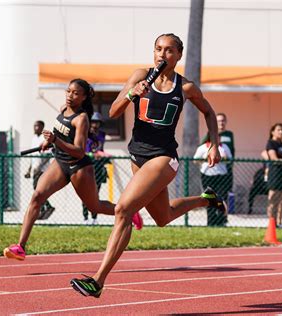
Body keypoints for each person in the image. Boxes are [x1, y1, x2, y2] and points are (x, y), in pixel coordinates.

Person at [70, 33, 225, 298]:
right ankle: (205, 200)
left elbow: (209, 112)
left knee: (123, 210)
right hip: (137, 157)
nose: (162, 55)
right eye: (157, 49)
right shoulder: (139, 76)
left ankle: (97, 280)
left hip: (164, 158)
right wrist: (132, 93)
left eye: (168, 51)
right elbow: (113, 112)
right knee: (162, 217)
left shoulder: (185, 88)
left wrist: (213, 143)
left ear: (178, 56)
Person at [4, 79, 119, 261]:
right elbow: (59, 132)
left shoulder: (82, 119)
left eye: (75, 93)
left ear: (83, 97)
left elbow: (80, 151)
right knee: (37, 197)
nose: (69, 96)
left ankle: (127, 211)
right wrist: (48, 141)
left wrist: (56, 141)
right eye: (68, 91)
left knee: (94, 206)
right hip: (60, 161)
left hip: (79, 167)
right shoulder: (63, 109)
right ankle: (20, 247)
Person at [83, 112, 143, 229]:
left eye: (98, 123)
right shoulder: (85, 134)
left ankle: (94, 218)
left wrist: (102, 154)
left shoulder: (101, 134)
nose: (95, 125)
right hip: (88, 164)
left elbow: (100, 148)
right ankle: (85, 217)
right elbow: (85, 150)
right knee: (85, 193)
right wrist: (94, 153)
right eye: (94, 122)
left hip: (99, 165)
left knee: (96, 192)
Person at [194, 138, 232, 226]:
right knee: (210, 198)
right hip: (207, 175)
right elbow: (195, 160)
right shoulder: (203, 147)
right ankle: (211, 221)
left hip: (222, 175)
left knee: (221, 198)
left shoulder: (224, 147)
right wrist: (205, 158)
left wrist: (225, 158)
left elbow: (230, 159)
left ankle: (221, 221)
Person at [24, 120, 55, 220]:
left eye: (38, 126)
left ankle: (47, 207)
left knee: (38, 190)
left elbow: (48, 154)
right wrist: (29, 170)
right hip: (35, 168)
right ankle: (44, 209)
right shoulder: (34, 138)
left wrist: (39, 167)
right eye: (34, 126)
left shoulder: (44, 138)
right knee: (37, 190)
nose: (36, 128)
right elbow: (33, 156)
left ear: (42, 127)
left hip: (42, 169)